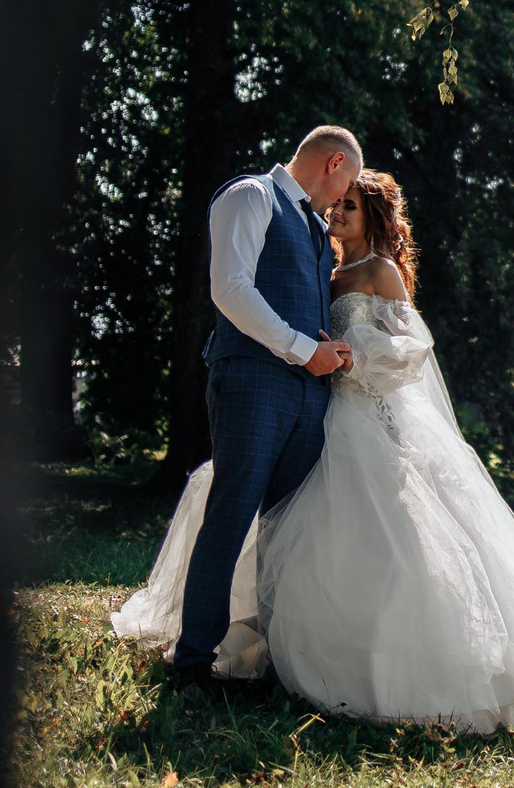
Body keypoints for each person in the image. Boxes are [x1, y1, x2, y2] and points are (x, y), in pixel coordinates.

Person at [119, 170, 514, 733]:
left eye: (350, 205)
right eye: (339, 204)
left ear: (374, 217)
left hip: (364, 413)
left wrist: (357, 355)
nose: (338, 213)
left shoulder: (379, 270)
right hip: (320, 411)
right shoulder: (322, 270)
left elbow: (413, 347)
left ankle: (397, 660)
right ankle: (279, 642)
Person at [133, 126, 364, 689]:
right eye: (349, 183)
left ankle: (275, 657)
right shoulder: (250, 197)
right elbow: (230, 289)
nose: (343, 198)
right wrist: (305, 349)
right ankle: (194, 660)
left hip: (311, 393)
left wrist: (328, 353)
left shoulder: (314, 226)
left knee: (288, 527)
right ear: (334, 163)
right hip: (253, 382)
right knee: (232, 514)